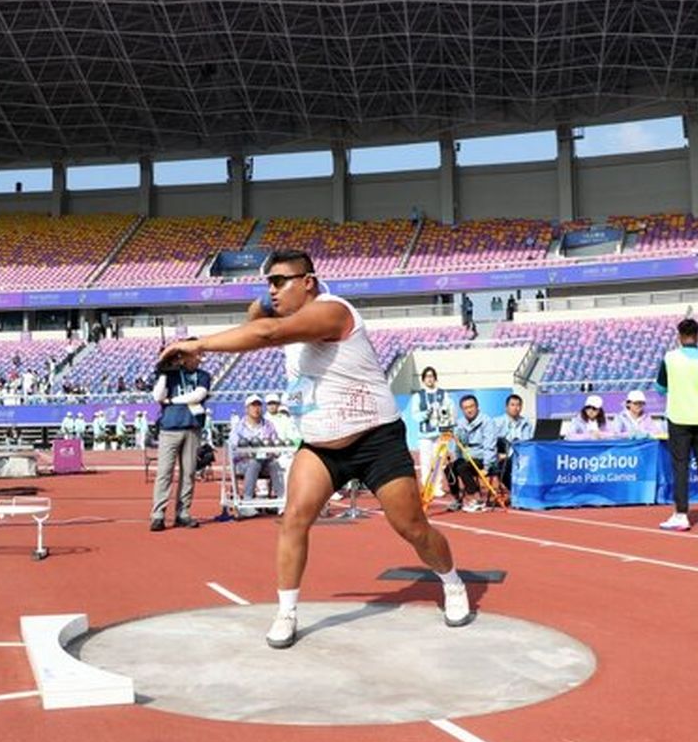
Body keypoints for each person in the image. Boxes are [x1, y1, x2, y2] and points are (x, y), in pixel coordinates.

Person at [160, 249, 472, 649]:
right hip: (321, 445)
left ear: (308, 282)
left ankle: (452, 582)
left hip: (375, 438)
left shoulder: (333, 312)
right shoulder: (281, 311)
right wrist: (265, 300)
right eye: (267, 283)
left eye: (280, 282)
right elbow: (259, 319)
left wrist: (198, 344)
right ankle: (286, 611)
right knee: (294, 519)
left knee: (410, 526)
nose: (272, 290)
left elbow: (266, 334)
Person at [655, 318, 698, 531]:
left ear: (679, 335)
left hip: (678, 418)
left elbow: (660, 387)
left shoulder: (670, 358)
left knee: (680, 467)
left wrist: (676, 389)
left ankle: (681, 514)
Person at [150, 343, 211, 531]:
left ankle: (183, 512)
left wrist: (172, 401)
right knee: (164, 472)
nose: (199, 358)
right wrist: (163, 373)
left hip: (192, 427)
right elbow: (157, 396)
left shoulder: (203, 376)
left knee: (189, 472)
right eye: (196, 355)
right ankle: (158, 514)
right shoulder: (171, 374)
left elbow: (198, 395)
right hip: (170, 427)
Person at [229, 394, 285, 512]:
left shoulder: (269, 425)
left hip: (265, 463)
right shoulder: (239, 427)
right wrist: (247, 454)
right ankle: (248, 501)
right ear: (247, 408)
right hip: (243, 464)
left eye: (259, 405)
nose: (256, 409)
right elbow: (233, 447)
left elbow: (275, 444)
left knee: (275, 464)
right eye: (253, 406)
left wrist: (273, 452)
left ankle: (281, 500)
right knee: (254, 462)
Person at [447, 395, 498, 512]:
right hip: (467, 457)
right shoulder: (460, 423)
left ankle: (477, 499)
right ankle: (457, 499)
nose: (469, 410)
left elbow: (489, 446)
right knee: (450, 468)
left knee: (462, 467)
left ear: (477, 407)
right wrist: (456, 459)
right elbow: (457, 445)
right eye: (465, 408)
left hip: (483, 457)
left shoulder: (487, 421)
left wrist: (487, 466)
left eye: (471, 406)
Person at [411, 367, 454, 499]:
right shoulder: (418, 396)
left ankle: (437, 487)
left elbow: (451, 410)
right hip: (425, 434)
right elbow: (415, 415)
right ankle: (426, 486)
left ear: (435, 378)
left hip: (440, 433)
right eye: (427, 376)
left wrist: (447, 424)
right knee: (425, 461)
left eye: (432, 376)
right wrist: (426, 413)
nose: (430, 379)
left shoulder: (443, 394)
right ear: (423, 379)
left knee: (438, 461)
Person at [494, 393, 534, 486]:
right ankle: (515, 492)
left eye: (518, 405)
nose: (516, 408)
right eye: (512, 405)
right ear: (506, 407)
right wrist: (498, 455)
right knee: (505, 466)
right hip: (506, 457)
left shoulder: (527, 423)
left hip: (525, 456)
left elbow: (532, 441)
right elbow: (491, 443)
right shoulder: (497, 422)